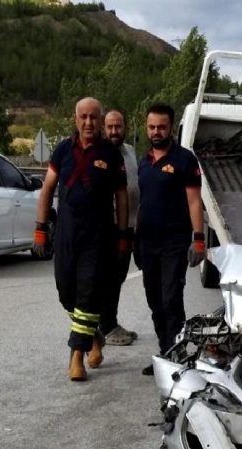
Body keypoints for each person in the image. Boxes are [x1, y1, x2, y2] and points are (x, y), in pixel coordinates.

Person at [34, 97, 129, 382]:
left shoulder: (112, 156)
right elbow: (48, 188)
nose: (89, 122)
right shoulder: (62, 149)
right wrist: (40, 228)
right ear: (76, 119)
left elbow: (122, 198)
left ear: (101, 121)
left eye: (94, 117)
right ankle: (94, 335)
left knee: (88, 293)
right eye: (83, 117)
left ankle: (77, 355)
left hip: (98, 237)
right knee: (66, 292)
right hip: (66, 233)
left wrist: (123, 236)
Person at [136, 102, 205, 376]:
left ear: (171, 128)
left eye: (161, 127)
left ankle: (178, 359)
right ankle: (165, 353)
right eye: (152, 126)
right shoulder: (144, 161)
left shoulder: (185, 160)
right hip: (146, 243)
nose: (156, 131)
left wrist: (198, 238)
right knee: (155, 302)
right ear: (146, 127)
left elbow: (194, 201)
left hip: (174, 243)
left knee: (170, 300)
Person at [99, 109, 141, 346]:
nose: (114, 131)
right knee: (108, 278)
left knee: (119, 277)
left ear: (125, 127)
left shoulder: (130, 152)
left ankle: (110, 323)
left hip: (129, 225)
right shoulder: (100, 153)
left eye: (118, 126)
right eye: (110, 127)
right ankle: (105, 328)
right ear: (103, 128)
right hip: (108, 227)